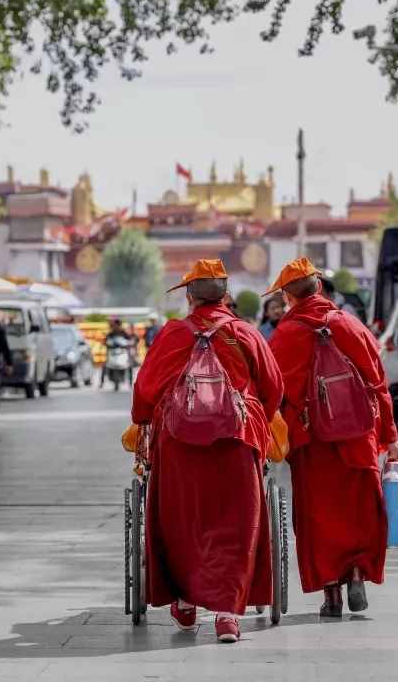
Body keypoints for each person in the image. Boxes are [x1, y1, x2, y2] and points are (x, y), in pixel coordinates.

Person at [132, 259, 284, 643]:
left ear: (189, 296)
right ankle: (226, 615)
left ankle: (184, 600)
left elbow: (146, 389)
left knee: (182, 520)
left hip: (179, 441)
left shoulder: (172, 334)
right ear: (226, 295)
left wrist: (142, 420)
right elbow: (273, 387)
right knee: (234, 525)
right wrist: (257, 416)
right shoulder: (244, 333)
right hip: (237, 438)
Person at [268, 258, 398, 617]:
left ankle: (331, 594)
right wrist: (390, 435)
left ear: (288, 297)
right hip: (356, 434)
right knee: (359, 509)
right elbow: (378, 384)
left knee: (318, 515)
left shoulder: (286, 334)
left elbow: (273, 390)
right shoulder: (349, 324)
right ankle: (357, 570)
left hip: (311, 440)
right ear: (320, 288)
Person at [99, 318, 135, 388]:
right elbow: (105, 340)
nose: (115, 326)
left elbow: (130, 340)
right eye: (114, 325)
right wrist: (105, 343)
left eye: (117, 325)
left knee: (129, 365)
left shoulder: (123, 333)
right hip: (112, 352)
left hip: (122, 352)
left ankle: (130, 383)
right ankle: (101, 383)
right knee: (104, 365)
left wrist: (130, 343)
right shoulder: (111, 333)